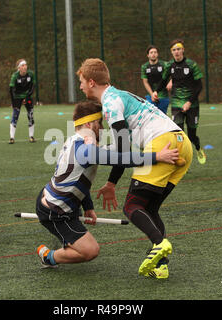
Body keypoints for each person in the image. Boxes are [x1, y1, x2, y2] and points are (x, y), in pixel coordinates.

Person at [76, 58, 193, 279]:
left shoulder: (110, 102)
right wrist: (112, 182)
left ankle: (159, 244)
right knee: (149, 208)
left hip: (163, 143)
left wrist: (111, 182)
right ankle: (161, 264)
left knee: (132, 205)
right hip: (182, 144)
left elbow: (122, 148)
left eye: (81, 81)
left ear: (91, 82)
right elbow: (124, 146)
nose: (80, 86)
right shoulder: (120, 96)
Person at [36, 100, 180, 269]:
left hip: (63, 203)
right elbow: (121, 159)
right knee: (90, 251)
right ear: (90, 124)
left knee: (81, 243)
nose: (103, 129)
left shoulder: (76, 141)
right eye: (99, 123)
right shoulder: (85, 150)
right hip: (56, 211)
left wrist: (88, 207)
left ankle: (68, 242)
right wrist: (157, 157)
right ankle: (48, 256)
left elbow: (79, 179)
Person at [152, 39, 206, 165]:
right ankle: (182, 158)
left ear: (183, 50)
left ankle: (198, 148)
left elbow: (199, 87)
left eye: (178, 49)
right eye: (174, 50)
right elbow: (164, 80)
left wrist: (189, 102)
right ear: (172, 52)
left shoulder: (192, 65)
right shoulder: (169, 65)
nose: (176, 52)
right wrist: (156, 91)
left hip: (192, 104)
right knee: (178, 133)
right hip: (176, 103)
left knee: (192, 136)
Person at [9, 59, 36, 144]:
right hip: (17, 97)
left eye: (26, 65)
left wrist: (27, 97)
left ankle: (31, 137)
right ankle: (12, 138)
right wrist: (13, 102)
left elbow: (33, 86)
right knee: (15, 115)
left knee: (30, 115)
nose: (25, 67)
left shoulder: (31, 74)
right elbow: (11, 90)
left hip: (27, 96)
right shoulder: (15, 76)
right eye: (23, 65)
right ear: (19, 68)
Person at [141, 45, 170, 114]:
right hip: (150, 97)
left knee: (162, 117)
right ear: (148, 55)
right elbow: (145, 82)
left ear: (157, 54)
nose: (153, 54)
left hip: (163, 96)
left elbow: (174, 74)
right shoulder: (144, 66)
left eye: (155, 52)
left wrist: (171, 82)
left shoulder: (165, 64)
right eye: (151, 52)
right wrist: (152, 95)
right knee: (150, 117)